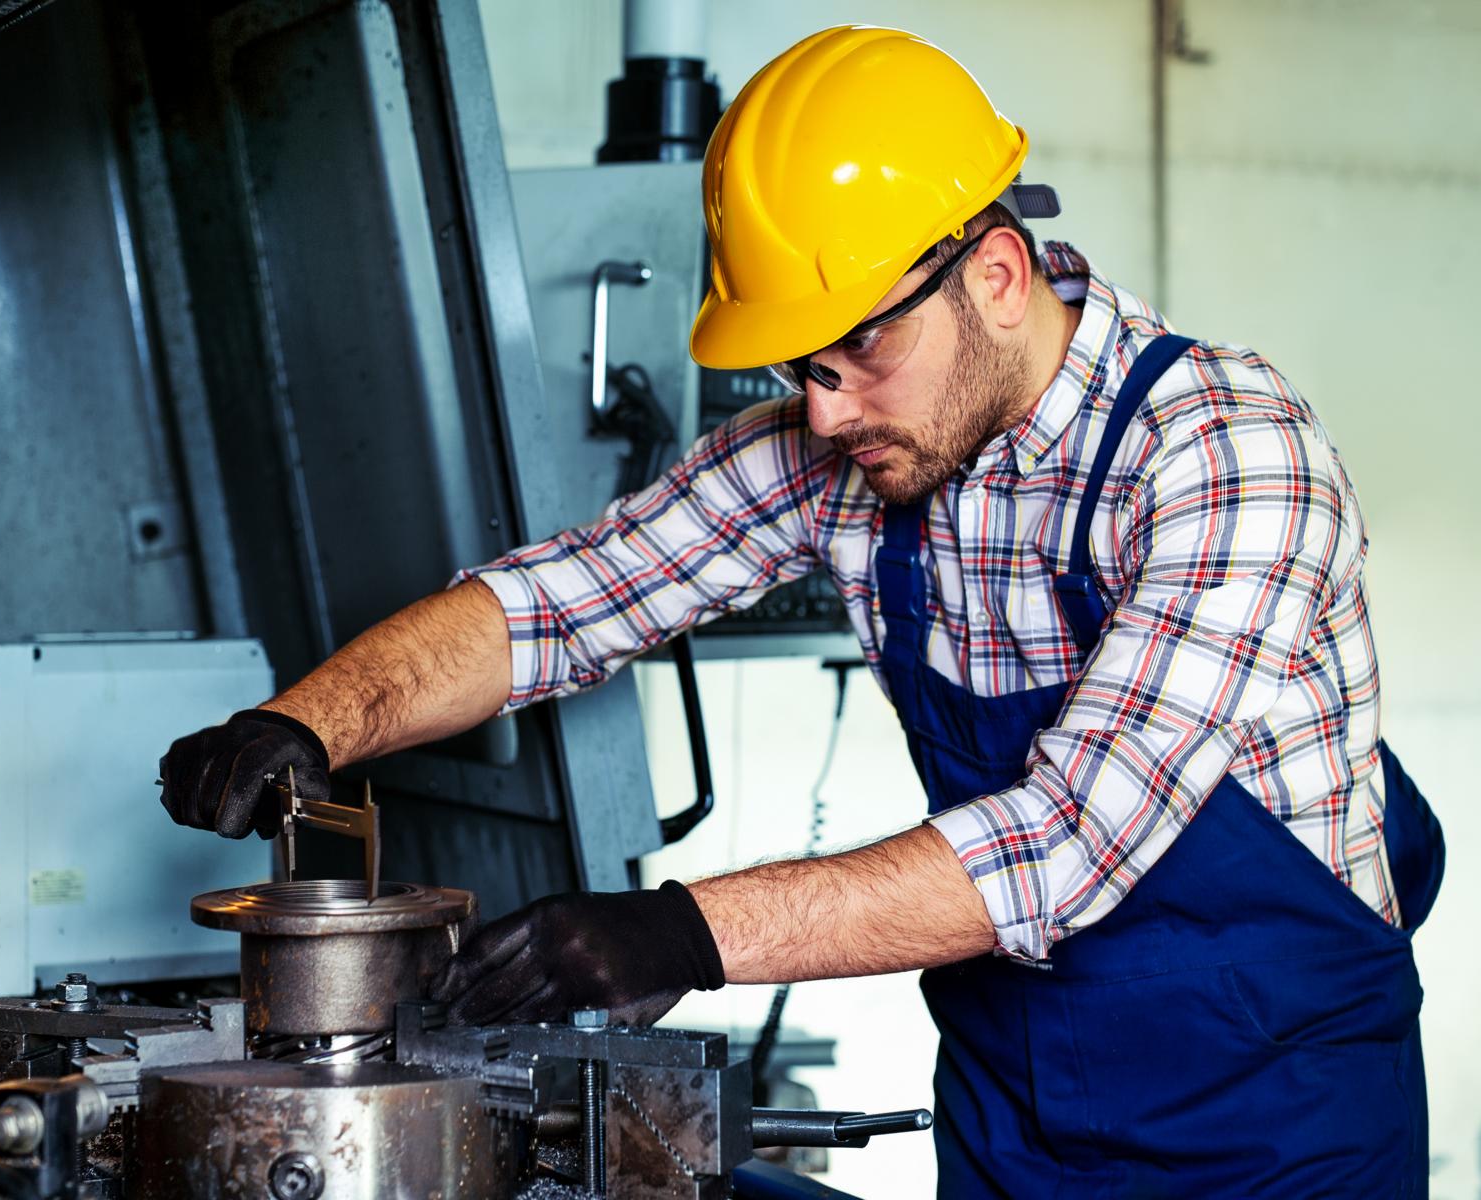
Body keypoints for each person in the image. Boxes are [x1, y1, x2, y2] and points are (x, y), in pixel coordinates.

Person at [158, 26, 1443, 1197]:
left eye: (855, 356)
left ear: (995, 274)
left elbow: (1064, 845)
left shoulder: (1228, 457)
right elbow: (564, 601)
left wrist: (679, 932)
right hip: (1020, 1119)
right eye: (798, 367)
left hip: (1279, 1132)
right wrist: (307, 723)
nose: (822, 412)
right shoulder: (853, 445)